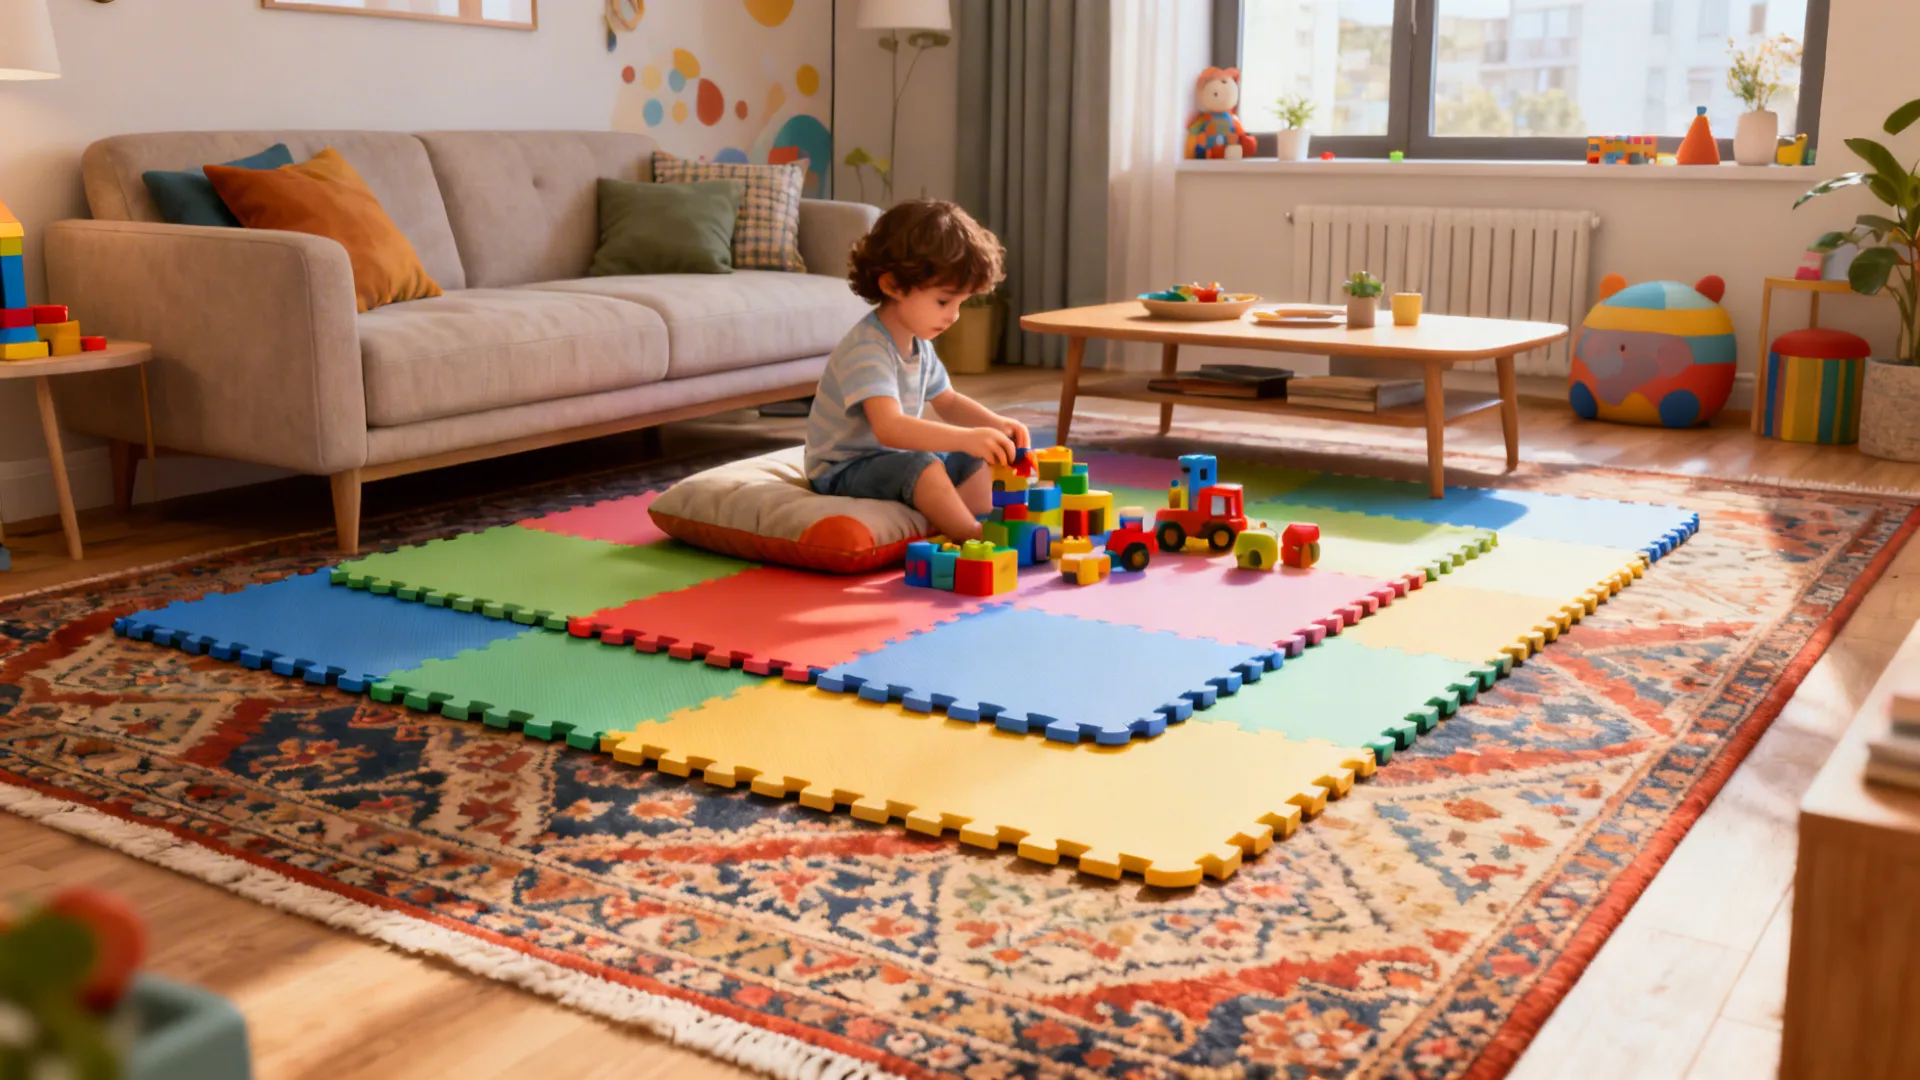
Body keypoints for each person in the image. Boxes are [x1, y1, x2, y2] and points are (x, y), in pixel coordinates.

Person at [804, 199, 1029, 542]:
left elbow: (948, 400)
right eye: (943, 301)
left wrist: (995, 425)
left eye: (960, 304)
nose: (953, 315)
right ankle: (970, 535)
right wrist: (967, 437)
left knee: (969, 461)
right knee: (923, 467)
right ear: (893, 285)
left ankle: (962, 520)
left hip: (892, 459)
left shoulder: (918, 343)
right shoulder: (867, 349)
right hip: (844, 468)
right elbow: (889, 428)